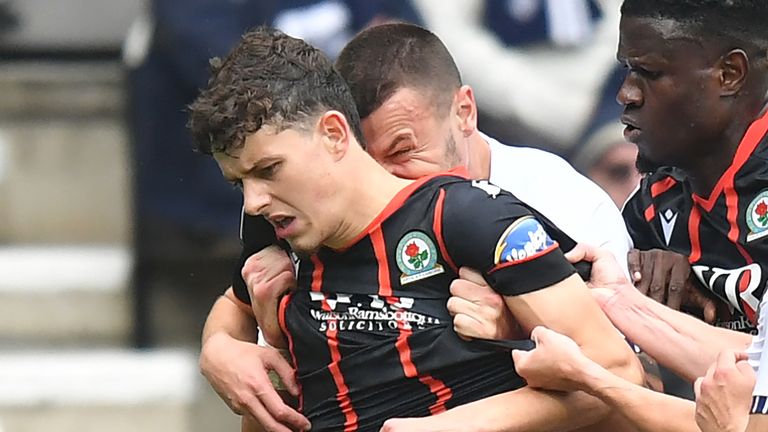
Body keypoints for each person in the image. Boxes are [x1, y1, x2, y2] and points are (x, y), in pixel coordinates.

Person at [189, 26, 642, 432]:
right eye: (240, 182)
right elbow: (239, 315)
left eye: (269, 170)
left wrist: (449, 426)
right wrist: (221, 348)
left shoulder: (474, 212)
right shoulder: (282, 227)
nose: (252, 201)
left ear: (334, 135)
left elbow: (621, 373)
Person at [450, 0, 768, 430]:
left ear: (729, 75)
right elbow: (644, 384)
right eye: (626, 71)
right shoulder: (651, 207)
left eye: (649, 74)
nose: (626, 94)